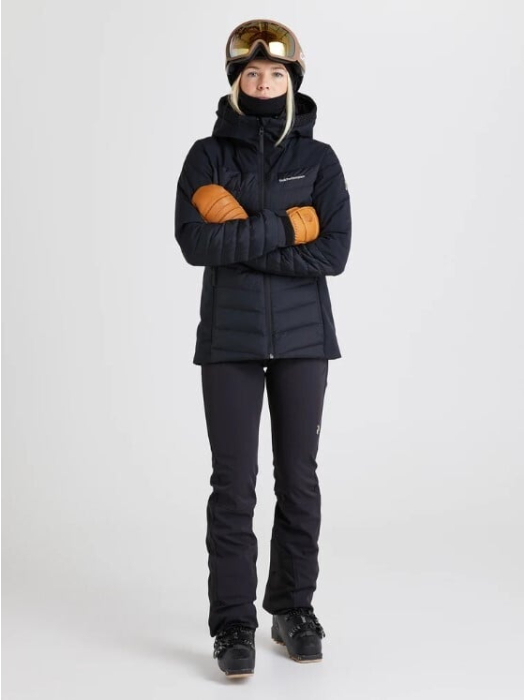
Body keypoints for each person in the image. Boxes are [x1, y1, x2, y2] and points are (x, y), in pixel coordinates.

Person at [174, 18, 352, 678]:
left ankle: (292, 609)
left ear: (292, 80)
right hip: (230, 340)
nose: (264, 82)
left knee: (299, 479)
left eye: (276, 73)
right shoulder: (206, 157)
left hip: (305, 340)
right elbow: (196, 244)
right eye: (252, 72)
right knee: (233, 485)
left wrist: (245, 239)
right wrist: (287, 227)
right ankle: (233, 622)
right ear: (236, 80)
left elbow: (333, 253)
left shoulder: (319, 160)